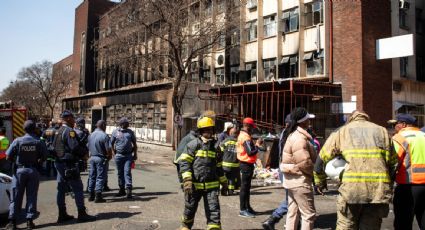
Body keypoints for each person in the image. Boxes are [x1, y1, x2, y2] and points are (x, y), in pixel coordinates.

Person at [315, 111, 397, 230]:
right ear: (367, 118)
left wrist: (319, 182)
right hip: (377, 191)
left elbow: (321, 159)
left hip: (351, 190)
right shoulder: (382, 131)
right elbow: (394, 163)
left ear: (351, 119)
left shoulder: (342, 131)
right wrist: (387, 184)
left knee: (346, 226)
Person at [179, 116, 227, 230]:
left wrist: (224, 182)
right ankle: (186, 226)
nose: (209, 132)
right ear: (200, 131)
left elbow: (219, 167)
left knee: (214, 211)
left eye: (210, 129)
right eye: (206, 130)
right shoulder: (193, 145)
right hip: (194, 186)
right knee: (189, 209)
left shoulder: (216, 147)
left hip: (212, 187)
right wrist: (187, 180)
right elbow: (184, 162)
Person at [54, 110, 96, 223]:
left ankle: (62, 214)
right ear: (67, 118)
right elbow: (74, 147)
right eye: (73, 118)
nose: (74, 121)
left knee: (61, 189)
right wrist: (84, 155)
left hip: (59, 163)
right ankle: (82, 214)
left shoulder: (58, 130)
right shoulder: (69, 131)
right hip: (69, 164)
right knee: (77, 188)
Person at [5, 120, 47, 230]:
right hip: (33, 170)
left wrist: (16, 161)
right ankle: (29, 221)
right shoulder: (38, 141)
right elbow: (45, 156)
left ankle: (12, 222)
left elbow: (8, 156)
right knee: (32, 195)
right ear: (34, 129)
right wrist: (38, 161)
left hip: (19, 171)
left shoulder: (17, 141)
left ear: (24, 129)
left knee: (16, 196)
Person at [280, 108, 317, 230]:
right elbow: (304, 162)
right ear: (302, 121)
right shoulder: (300, 138)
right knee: (308, 215)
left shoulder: (293, 135)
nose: (309, 121)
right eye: (308, 119)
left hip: (292, 181)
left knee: (293, 213)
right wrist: (315, 172)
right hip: (300, 181)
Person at [390, 114, 425, 230]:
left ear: (403, 124)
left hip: (408, 187)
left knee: (403, 222)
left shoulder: (399, 138)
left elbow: (393, 162)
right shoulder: (423, 135)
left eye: (396, 124)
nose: (394, 127)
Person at [262, 114, 291, 229]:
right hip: (288, 171)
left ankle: (292, 222)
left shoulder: (285, 133)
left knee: (293, 199)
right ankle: (272, 219)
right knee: (292, 199)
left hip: (284, 169)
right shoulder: (290, 134)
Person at [237, 117, 262, 218]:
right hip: (246, 164)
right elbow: (250, 152)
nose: (253, 129)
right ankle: (243, 209)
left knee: (246, 188)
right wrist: (258, 145)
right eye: (252, 127)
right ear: (248, 126)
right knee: (245, 188)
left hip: (246, 164)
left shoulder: (243, 135)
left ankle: (247, 207)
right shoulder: (245, 137)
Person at [111, 117, 138, 199]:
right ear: (122, 124)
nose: (128, 124)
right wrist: (113, 154)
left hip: (128, 156)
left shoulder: (130, 132)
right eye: (127, 123)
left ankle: (129, 190)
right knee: (120, 173)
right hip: (118, 156)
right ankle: (121, 190)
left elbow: (134, 144)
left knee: (127, 172)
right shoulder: (115, 132)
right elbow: (111, 144)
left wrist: (135, 154)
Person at [87, 120, 112, 203]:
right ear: (103, 125)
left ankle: (91, 195)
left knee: (92, 176)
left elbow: (88, 146)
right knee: (100, 177)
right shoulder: (104, 135)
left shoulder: (91, 135)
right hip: (101, 158)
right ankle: (98, 196)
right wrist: (109, 156)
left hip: (92, 158)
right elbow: (108, 149)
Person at [219, 127, 240, 196]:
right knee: (232, 178)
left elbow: (220, 150)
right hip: (235, 165)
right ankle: (231, 191)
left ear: (230, 133)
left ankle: (224, 191)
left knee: (224, 178)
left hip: (225, 164)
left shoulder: (226, 141)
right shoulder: (239, 142)